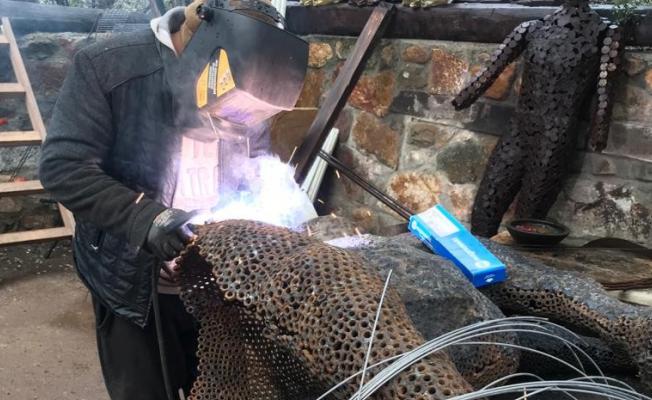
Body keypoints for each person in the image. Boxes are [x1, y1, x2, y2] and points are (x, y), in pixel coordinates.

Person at [39, 1, 307, 399]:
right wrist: (148, 218)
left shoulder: (246, 74)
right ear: (200, 31)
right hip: (134, 284)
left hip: (216, 288)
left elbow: (254, 160)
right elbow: (63, 167)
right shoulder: (108, 65)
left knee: (220, 389)